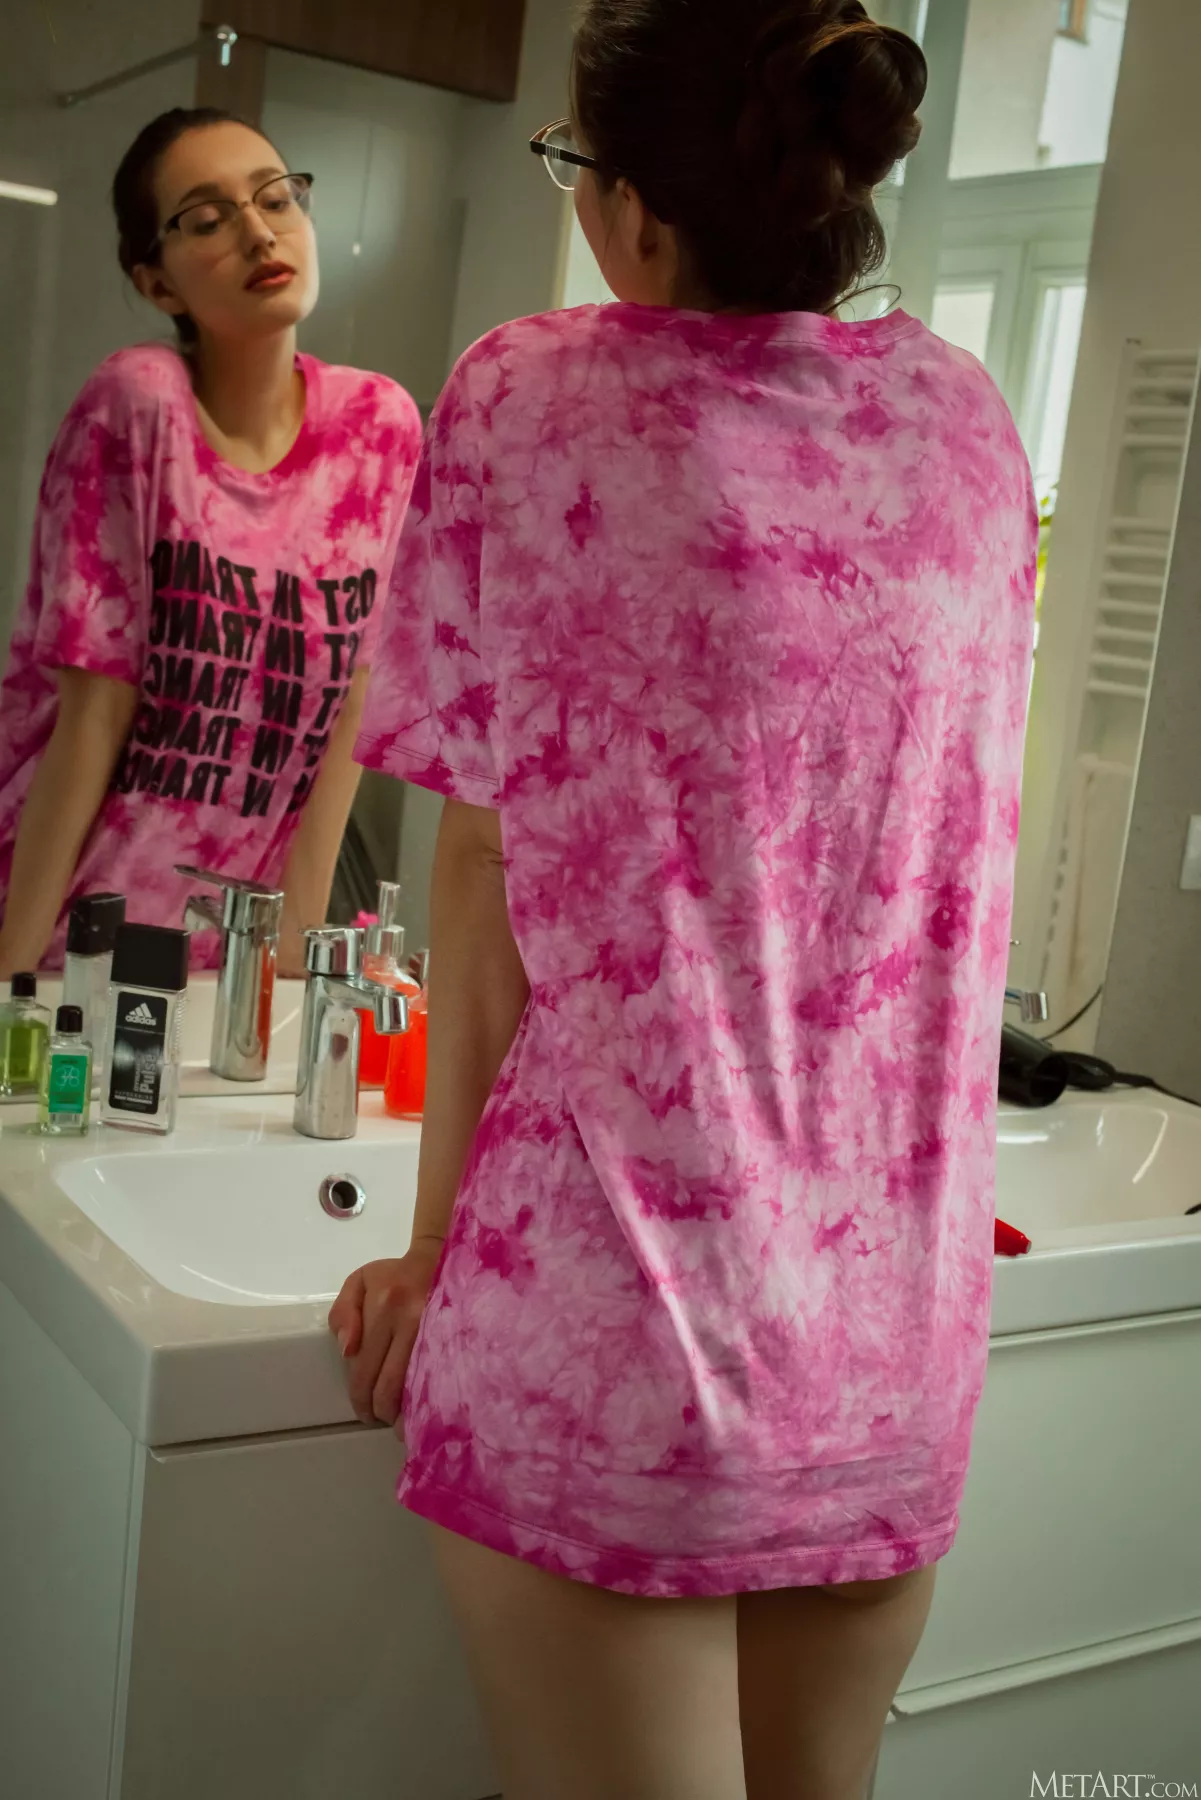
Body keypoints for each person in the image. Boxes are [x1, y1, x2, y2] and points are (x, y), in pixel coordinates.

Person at [330, 1, 1037, 1795]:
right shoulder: (968, 424)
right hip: (885, 1354)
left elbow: (478, 866)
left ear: (636, 212)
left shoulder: (528, 396)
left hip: (615, 1344)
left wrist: (431, 1250)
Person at [0, 108, 422, 977]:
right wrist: (6, 977)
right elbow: (93, 713)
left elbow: (351, 704)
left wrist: (298, 966)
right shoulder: (139, 401)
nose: (258, 233)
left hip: (222, 962)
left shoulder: (377, 425)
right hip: (63, 936)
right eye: (206, 219)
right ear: (158, 284)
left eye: (276, 198)